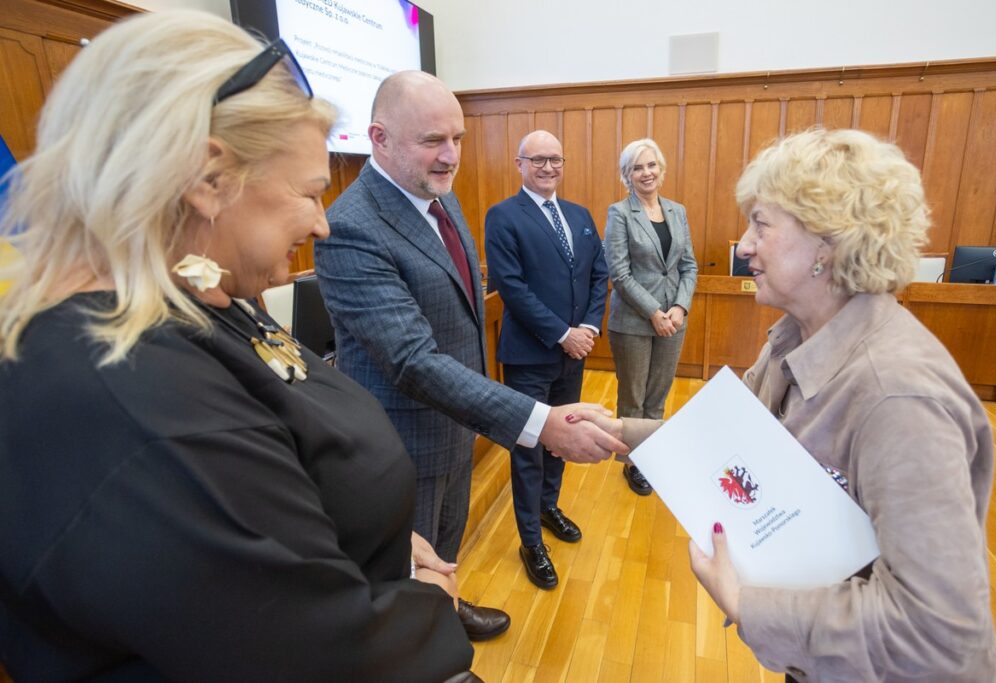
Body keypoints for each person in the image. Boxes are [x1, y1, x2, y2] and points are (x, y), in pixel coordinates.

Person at [0, 12, 481, 681]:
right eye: (311, 192)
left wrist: (387, 549)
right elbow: (310, 652)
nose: (321, 222)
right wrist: (424, 601)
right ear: (208, 181)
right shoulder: (128, 394)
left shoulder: (199, 295)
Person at [579, 128, 996, 682]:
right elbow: (721, 442)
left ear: (827, 243)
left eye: (761, 223)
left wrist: (748, 605)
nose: (744, 244)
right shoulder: (791, 338)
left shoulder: (898, 396)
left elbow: (940, 635)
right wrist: (615, 430)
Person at [315, 71, 625, 618]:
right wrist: (541, 422)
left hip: (460, 426)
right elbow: (411, 360)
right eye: (432, 140)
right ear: (379, 138)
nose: (450, 155)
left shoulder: (441, 199)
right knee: (409, 578)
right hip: (404, 442)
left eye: (457, 138)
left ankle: (450, 616)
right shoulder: (352, 226)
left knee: (448, 558)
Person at [484, 130, 609, 590]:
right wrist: (562, 334)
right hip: (530, 355)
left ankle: (549, 505)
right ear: (520, 163)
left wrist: (590, 328)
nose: (548, 167)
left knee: (564, 438)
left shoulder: (578, 215)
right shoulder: (502, 216)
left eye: (555, 159)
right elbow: (511, 287)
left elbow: (599, 273)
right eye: (538, 160)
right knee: (529, 448)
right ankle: (530, 539)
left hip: (575, 352)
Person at [604, 138, 697, 496]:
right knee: (633, 399)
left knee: (658, 395)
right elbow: (620, 274)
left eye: (651, 165)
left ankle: (651, 456)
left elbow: (688, 264)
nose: (646, 173)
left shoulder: (678, 211)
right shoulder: (620, 212)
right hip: (633, 322)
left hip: (674, 319)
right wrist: (654, 312)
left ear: (662, 169)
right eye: (637, 167)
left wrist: (679, 307)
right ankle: (633, 463)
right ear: (627, 176)